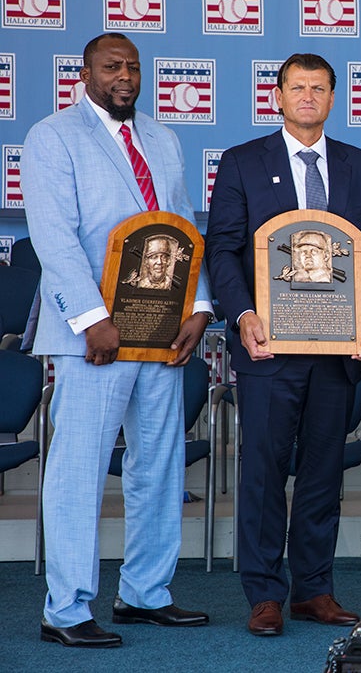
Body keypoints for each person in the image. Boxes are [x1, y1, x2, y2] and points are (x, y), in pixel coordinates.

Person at [22, 32, 213, 647]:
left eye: (132, 66)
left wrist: (200, 306)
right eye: (111, 66)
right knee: (78, 469)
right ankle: (67, 609)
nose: (124, 76)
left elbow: (184, 226)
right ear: (84, 73)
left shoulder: (162, 137)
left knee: (157, 463)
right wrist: (88, 319)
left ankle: (145, 593)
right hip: (94, 335)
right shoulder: (53, 137)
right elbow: (54, 238)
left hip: (163, 330)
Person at [206, 52, 361, 636]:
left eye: (319, 88)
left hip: (337, 352)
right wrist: (241, 314)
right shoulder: (241, 163)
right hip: (268, 349)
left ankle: (314, 589)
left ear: (333, 99)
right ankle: (264, 593)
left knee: (322, 471)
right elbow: (223, 250)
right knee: (263, 470)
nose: (307, 96)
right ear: (278, 96)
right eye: (297, 88)